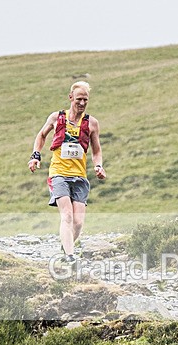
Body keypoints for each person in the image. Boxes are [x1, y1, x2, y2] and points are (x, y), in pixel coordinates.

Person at [28, 81, 106, 263]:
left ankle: (66, 248)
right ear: (70, 98)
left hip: (79, 176)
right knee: (67, 215)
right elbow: (41, 135)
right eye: (79, 99)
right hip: (58, 173)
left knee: (78, 222)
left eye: (85, 100)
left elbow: (96, 150)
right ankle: (70, 257)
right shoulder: (56, 118)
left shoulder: (92, 123)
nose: (82, 103)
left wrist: (98, 166)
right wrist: (35, 156)